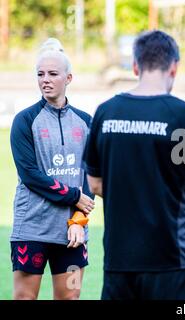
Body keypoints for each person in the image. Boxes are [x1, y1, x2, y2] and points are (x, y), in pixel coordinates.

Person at [83, 30, 185, 300]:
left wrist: (133, 196)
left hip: (120, 261)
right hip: (172, 260)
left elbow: (94, 183)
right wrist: (169, 199)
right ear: (174, 67)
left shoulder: (106, 112)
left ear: (135, 66)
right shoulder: (184, 115)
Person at [10, 38, 95, 300]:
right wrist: (74, 196)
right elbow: (30, 175)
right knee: (25, 297)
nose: (45, 79)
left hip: (72, 232)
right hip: (32, 228)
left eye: (53, 74)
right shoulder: (24, 120)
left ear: (68, 77)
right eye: (40, 74)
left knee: (69, 297)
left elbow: (91, 175)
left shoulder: (86, 122)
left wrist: (79, 220)